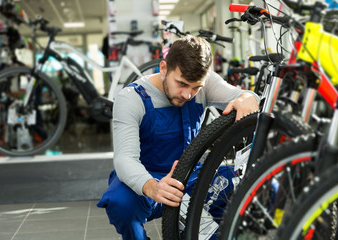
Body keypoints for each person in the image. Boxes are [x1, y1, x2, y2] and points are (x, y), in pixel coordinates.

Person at [97, 35, 259, 239]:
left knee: (248, 184)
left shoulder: (203, 84)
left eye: (195, 87)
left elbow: (243, 95)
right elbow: (124, 159)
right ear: (163, 68)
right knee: (120, 202)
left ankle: (209, 232)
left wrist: (248, 98)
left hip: (190, 179)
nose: (188, 95)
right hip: (148, 181)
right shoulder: (131, 98)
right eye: (181, 84)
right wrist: (153, 187)